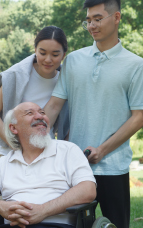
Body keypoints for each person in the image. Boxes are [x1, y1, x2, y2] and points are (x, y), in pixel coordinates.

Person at [44, 0, 143, 227]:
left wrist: (103, 150)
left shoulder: (136, 65)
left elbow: (139, 116)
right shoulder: (73, 61)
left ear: (116, 18)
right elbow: (54, 105)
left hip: (114, 167)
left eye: (98, 19)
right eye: (88, 20)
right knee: (70, 224)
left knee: (115, 225)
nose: (91, 25)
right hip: (74, 166)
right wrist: (31, 134)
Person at [0, 102, 96, 228]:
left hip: (56, 224)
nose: (40, 116)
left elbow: (88, 190)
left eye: (42, 112)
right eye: (29, 113)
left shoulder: (67, 150)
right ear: (13, 128)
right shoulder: (5, 163)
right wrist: (3, 208)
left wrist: (43, 211)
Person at [0, 26, 69, 160]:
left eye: (55, 55)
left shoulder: (65, 81)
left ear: (63, 55)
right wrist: (16, 146)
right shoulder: (16, 75)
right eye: (42, 53)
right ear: (35, 50)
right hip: (11, 153)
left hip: (45, 154)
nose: (48, 59)